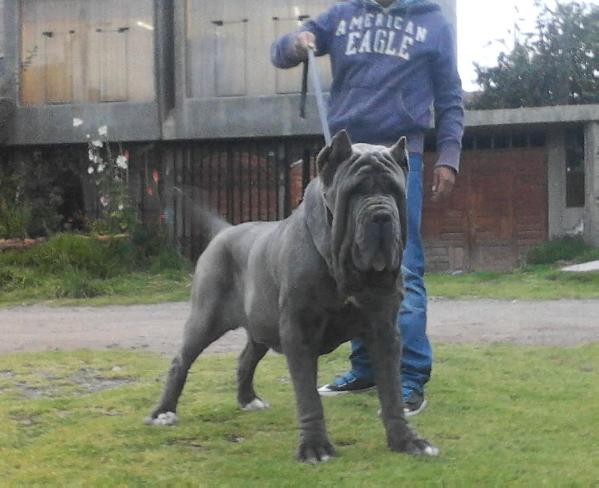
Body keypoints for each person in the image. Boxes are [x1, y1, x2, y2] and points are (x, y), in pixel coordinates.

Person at [271, 0, 464, 416]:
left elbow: (450, 97)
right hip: (344, 160)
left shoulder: (432, 22)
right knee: (345, 263)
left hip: (397, 157)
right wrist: (297, 41)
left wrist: (448, 156)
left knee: (400, 265)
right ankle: (365, 368)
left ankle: (409, 377)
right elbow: (280, 52)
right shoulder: (342, 15)